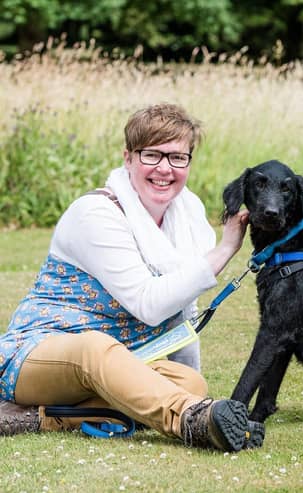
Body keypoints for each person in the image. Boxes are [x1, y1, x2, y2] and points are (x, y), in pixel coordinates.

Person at [0, 103, 263, 452]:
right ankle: (189, 420)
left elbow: (182, 309)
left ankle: (39, 418)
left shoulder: (187, 214)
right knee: (96, 347)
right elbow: (149, 305)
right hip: (39, 355)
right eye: (152, 155)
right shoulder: (95, 213)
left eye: (177, 158)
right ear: (128, 158)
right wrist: (225, 249)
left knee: (189, 383)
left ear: (189, 162)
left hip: (122, 360)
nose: (165, 169)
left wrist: (194, 392)